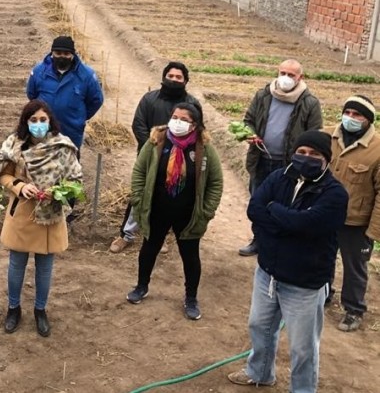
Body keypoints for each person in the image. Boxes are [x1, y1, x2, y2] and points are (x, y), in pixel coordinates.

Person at [228, 131, 348, 393]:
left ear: (326, 159)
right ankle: (260, 373)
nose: (307, 158)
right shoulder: (279, 177)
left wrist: (275, 212)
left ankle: (302, 390)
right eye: (302, 152)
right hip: (268, 273)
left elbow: (307, 225)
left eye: (315, 154)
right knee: (259, 326)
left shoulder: (335, 194)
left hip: (304, 283)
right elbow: (255, 209)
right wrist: (287, 221)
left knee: (303, 347)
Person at [125, 103, 223, 320]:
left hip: (188, 214)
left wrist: (206, 211)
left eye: (184, 119)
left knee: (190, 255)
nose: (177, 122)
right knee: (149, 248)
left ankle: (191, 298)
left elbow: (215, 182)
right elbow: (139, 173)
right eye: (175, 117)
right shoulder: (156, 142)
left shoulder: (204, 149)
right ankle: (141, 287)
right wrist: (139, 201)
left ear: (195, 125)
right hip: (157, 209)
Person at [0, 99, 83, 337]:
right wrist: (19, 186)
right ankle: (13, 308)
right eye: (33, 120)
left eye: (43, 120)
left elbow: (75, 181)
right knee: (17, 264)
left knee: (45, 268)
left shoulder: (63, 147)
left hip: (51, 215)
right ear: (26, 122)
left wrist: (58, 192)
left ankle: (40, 310)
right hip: (22, 213)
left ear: (50, 121)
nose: (38, 124)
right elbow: (3, 175)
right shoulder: (14, 144)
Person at [111, 61, 202, 253]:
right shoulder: (150, 99)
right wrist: (153, 151)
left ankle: (162, 236)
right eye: (171, 76)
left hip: (179, 161)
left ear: (186, 80)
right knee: (139, 196)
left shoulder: (192, 104)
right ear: (163, 77)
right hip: (149, 158)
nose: (174, 80)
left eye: (179, 77)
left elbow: (197, 131)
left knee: (170, 197)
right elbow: (139, 125)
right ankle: (126, 234)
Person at [238, 59, 322, 256]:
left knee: (285, 204)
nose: (285, 78)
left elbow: (315, 134)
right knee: (259, 201)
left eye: (291, 75)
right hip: (261, 159)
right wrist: (249, 134)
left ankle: (279, 243)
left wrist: (303, 156)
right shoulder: (264, 95)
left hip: (289, 164)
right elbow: (248, 121)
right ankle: (258, 240)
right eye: (282, 72)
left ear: (300, 77)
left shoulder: (309, 102)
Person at [325, 96, 380, 332]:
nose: (351, 118)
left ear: (368, 120)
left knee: (355, 267)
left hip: (356, 221)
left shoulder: (377, 149)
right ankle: (324, 293)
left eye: (357, 115)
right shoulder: (327, 136)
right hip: (325, 214)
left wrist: (374, 230)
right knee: (322, 256)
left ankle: (353, 309)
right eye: (348, 113)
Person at [26, 35, 104, 152]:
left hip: (71, 131)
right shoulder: (39, 71)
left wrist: (80, 116)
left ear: (73, 55)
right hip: (45, 130)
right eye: (58, 53)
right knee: (42, 164)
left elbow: (96, 100)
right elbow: (32, 95)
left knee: (69, 165)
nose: (62, 57)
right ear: (52, 53)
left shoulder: (86, 75)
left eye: (66, 54)